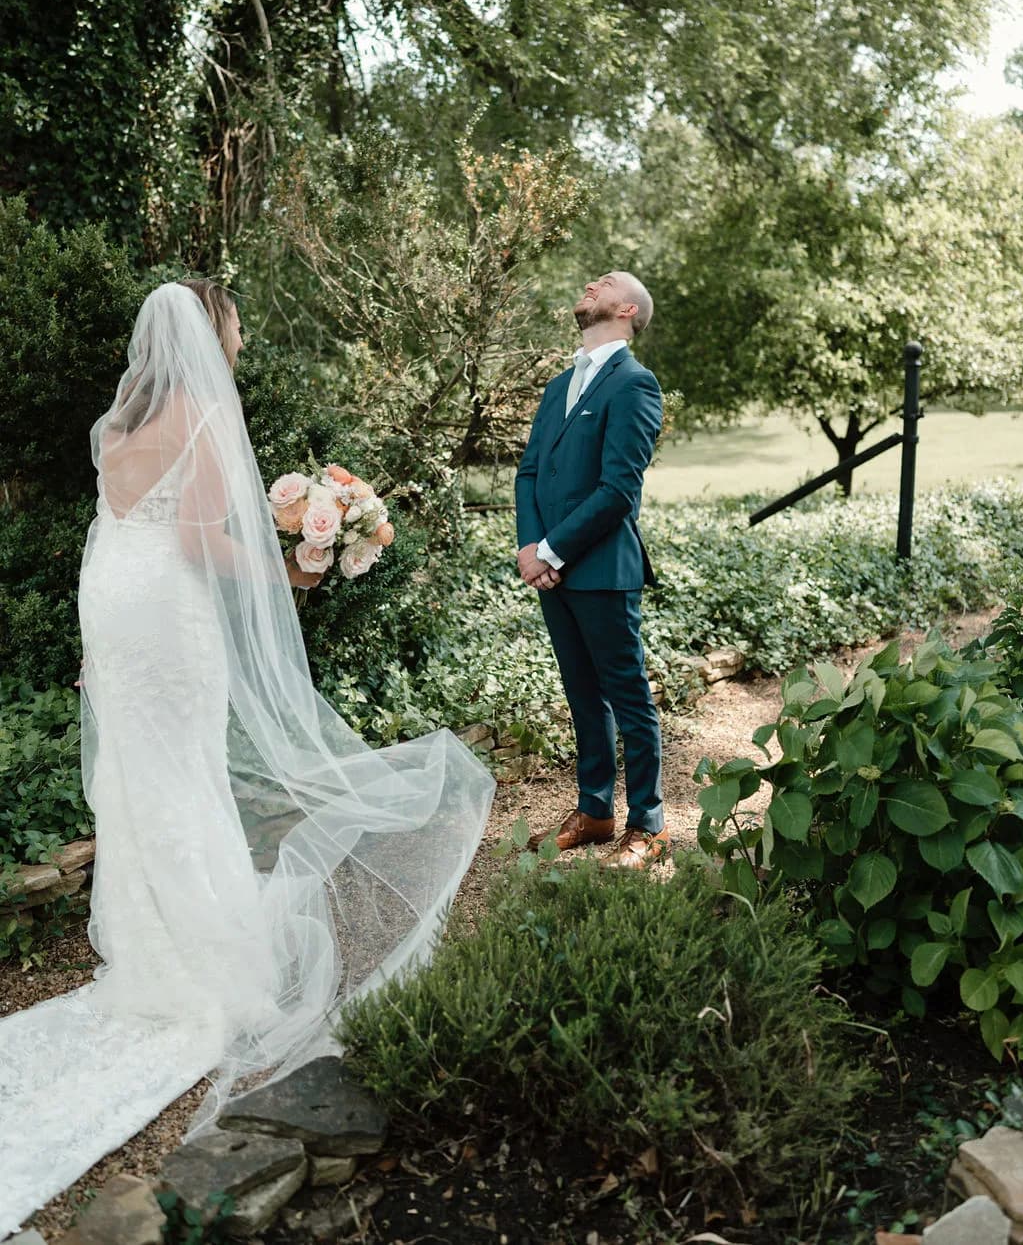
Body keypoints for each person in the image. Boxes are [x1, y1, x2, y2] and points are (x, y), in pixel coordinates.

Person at [0, 281, 494, 1238]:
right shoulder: (197, 410)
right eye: (235, 329)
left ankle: (150, 947)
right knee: (185, 769)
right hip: (167, 611)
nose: (238, 343)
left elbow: (117, 528)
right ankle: (202, 960)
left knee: (144, 779)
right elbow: (202, 539)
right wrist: (299, 560)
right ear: (209, 335)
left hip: (111, 598)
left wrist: (97, 647)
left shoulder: (116, 424)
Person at [515, 271, 667, 870]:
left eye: (604, 283)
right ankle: (596, 809)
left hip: (603, 569)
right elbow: (529, 472)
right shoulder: (559, 386)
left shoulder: (635, 384)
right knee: (582, 695)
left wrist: (551, 551)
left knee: (627, 697)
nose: (589, 284)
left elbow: (617, 492)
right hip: (550, 570)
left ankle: (649, 824)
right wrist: (531, 549)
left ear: (626, 309)